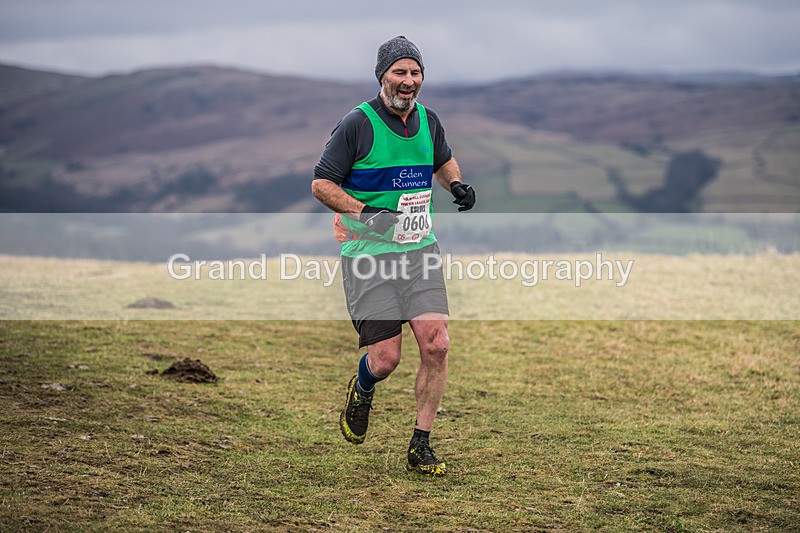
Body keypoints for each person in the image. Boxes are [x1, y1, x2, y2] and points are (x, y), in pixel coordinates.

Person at [311, 36, 476, 476]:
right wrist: (367, 213)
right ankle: (363, 387)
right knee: (386, 358)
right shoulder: (357, 124)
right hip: (368, 253)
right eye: (399, 73)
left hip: (419, 249)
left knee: (437, 344)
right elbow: (322, 184)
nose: (408, 81)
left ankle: (420, 444)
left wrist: (456, 184)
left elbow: (443, 160)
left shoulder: (428, 120)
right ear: (382, 76)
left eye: (415, 73)